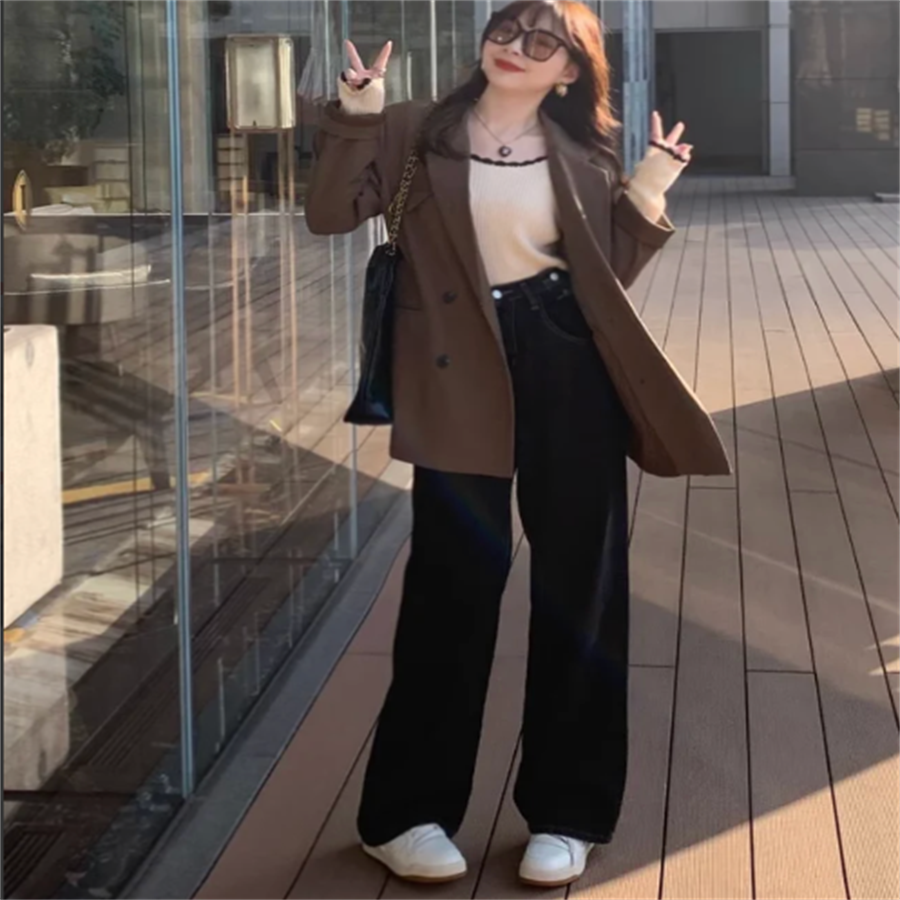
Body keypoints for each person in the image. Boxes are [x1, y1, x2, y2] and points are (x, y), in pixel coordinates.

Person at [305, 0, 730, 889]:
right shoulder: (416, 128)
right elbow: (331, 214)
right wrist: (356, 111)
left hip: (568, 364)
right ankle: (405, 814)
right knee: (450, 591)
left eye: (544, 42)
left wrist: (650, 186)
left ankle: (568, 812)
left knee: (582, 589)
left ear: (570, 70)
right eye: (508, 30)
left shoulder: (583, 155)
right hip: (458, 368)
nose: (517, 48)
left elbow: (606, 277)